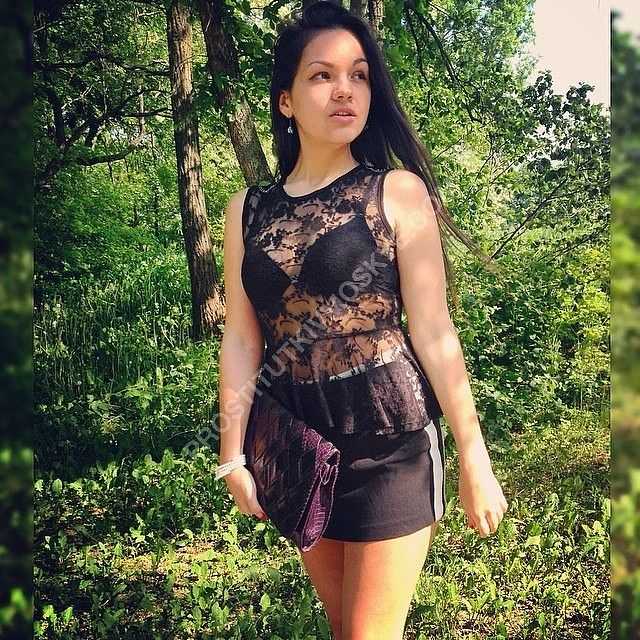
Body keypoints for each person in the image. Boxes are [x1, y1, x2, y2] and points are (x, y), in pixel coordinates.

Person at [217, 2, 508, 638]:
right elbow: (241, 336)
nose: (344, 89)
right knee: (342, 625)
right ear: (286, 100)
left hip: (389, 445)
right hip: (300, 445)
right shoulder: (247, 210)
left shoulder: (397, 192)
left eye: (359, 75)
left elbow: (435, 332)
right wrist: (231, 454)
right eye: (321, 75)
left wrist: (473, 456)